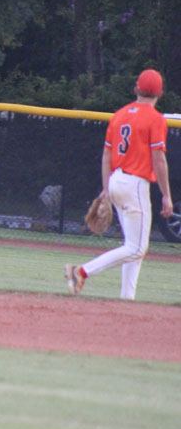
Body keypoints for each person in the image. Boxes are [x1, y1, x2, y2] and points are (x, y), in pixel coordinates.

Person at [65, 69, 173, 299]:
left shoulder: (120, 115)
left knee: (133, 246)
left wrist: (106, 189)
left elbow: (106, 155)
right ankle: (81, 271)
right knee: (136, 248)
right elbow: (159, 159)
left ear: (136, 88)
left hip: (116, 180)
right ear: (160, 93)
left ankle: (127, 299)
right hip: (135, 185)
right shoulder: (156, 119)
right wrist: (166, 195)